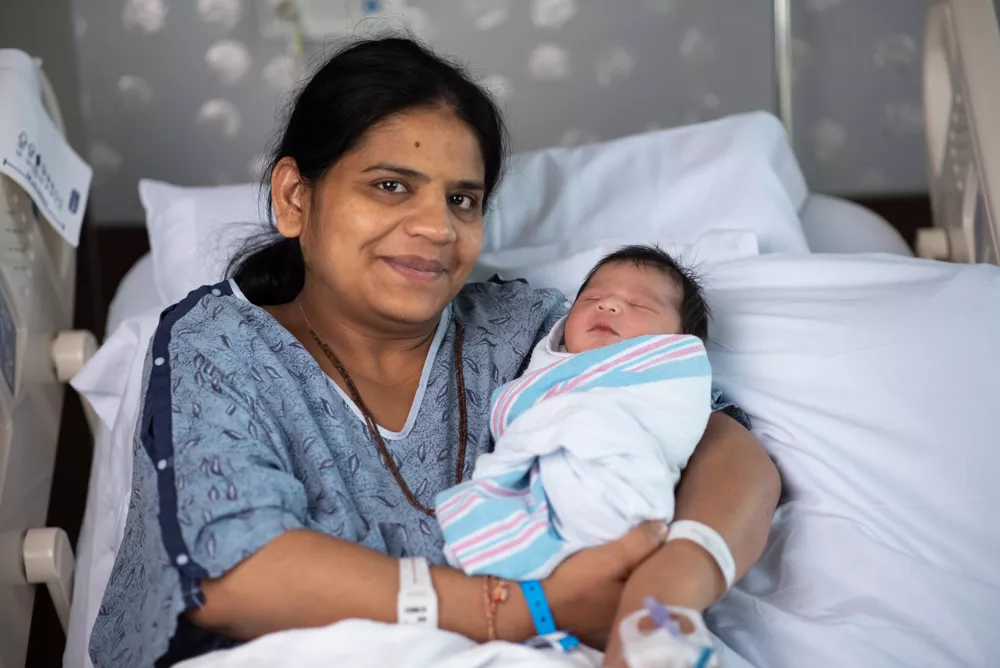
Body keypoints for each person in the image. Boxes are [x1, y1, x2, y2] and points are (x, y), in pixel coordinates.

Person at [88, 37, 780, 668]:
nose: (436, 228)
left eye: (462, 200)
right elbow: (237, 577)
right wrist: (530, 609)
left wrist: (663, 596)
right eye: (391, 186)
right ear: (296, 198)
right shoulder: (222, 348)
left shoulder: (521, 333)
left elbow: (718, 444)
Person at [437, 246, 714, 581]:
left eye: (639, 304)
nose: (608, 305)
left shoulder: (666, 381)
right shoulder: (552, 368)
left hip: (621, 485)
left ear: (675, 343)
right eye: (592, 298)